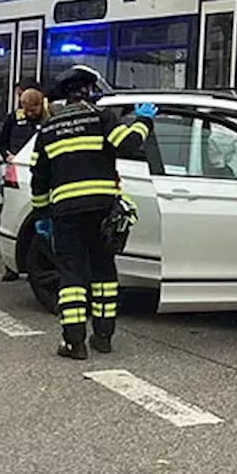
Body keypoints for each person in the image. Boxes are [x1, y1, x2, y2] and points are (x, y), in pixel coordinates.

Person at [30, 65, 155, 359]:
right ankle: (103, 337)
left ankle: (74, 343)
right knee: (103, 270)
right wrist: (144, 120)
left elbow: (38, 178)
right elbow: (128, 144)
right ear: (88, 91)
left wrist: (41, 216)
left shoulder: (48, 128)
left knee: (71, 275)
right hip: (102, 208)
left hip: (65, 212)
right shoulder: (102, 117)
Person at [0, 87, 49, 156]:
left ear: (41, 105)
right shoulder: (13, 117)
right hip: (16, 161)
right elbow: (2, 142)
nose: (29, 113)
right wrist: (6, 155)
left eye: (32, 110)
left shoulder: (49, 119)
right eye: (26, 110)